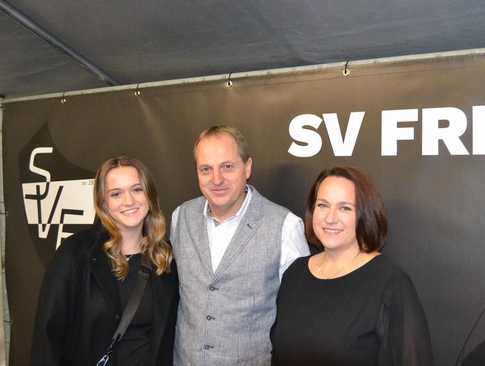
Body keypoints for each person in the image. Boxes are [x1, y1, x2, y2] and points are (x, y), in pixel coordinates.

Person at [170, 125, 310, 365]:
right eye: (206, 169)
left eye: (227, 166)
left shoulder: (285, 226)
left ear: (247, 167)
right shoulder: (180, 217)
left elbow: (300, 313)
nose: (217, 179)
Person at [271, 165, 434, 365]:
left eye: (345, 208)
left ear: (365, 214)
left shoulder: (390, 282)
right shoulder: (295, 274)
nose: (330, 218)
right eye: (322, 205)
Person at [31, 155, 179, 366]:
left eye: (137, 189)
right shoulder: (76, 253)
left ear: (150, 196)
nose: (129, 201)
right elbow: (47, 336)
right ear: (104, 204)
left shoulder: (165, 258)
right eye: (116, 194)